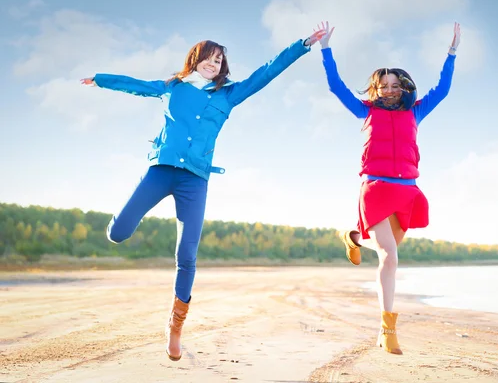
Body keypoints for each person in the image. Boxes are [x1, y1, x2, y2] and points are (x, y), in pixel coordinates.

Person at [80, 27, 326, 361]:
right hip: (161, 169)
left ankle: (175, 326)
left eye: (219, 60)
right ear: (196, 59)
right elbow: (137, 86)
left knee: (188, 254)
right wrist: (100, 79)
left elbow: (267, 71)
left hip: (194, 180)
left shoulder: (229, 95)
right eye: (209, 58)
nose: (214, 63)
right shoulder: (172, 87)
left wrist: (304, 45)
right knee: (118, 234)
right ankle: (116, 224)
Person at [316, 21, 460, 355]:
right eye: (384, 85)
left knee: (387, 254)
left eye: (395, 84)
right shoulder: (364, 110)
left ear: (404, 87)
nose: (390, 89)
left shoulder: (416, 110)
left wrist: (451, 52)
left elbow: (444, 89)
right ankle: (387, 328)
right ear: (376, 89)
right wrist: (326, 50)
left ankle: (351, 237)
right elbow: (337, 87)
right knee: (390, 257)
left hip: (407, 191)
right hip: (376, 188)